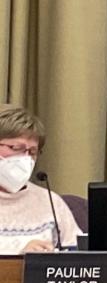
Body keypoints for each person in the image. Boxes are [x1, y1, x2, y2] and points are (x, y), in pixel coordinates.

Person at [0, 104, 82, 254]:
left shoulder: (50, 202)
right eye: (16, 148)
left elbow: (78, 261)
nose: (25, 158)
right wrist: (19, 259)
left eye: (32, 152)